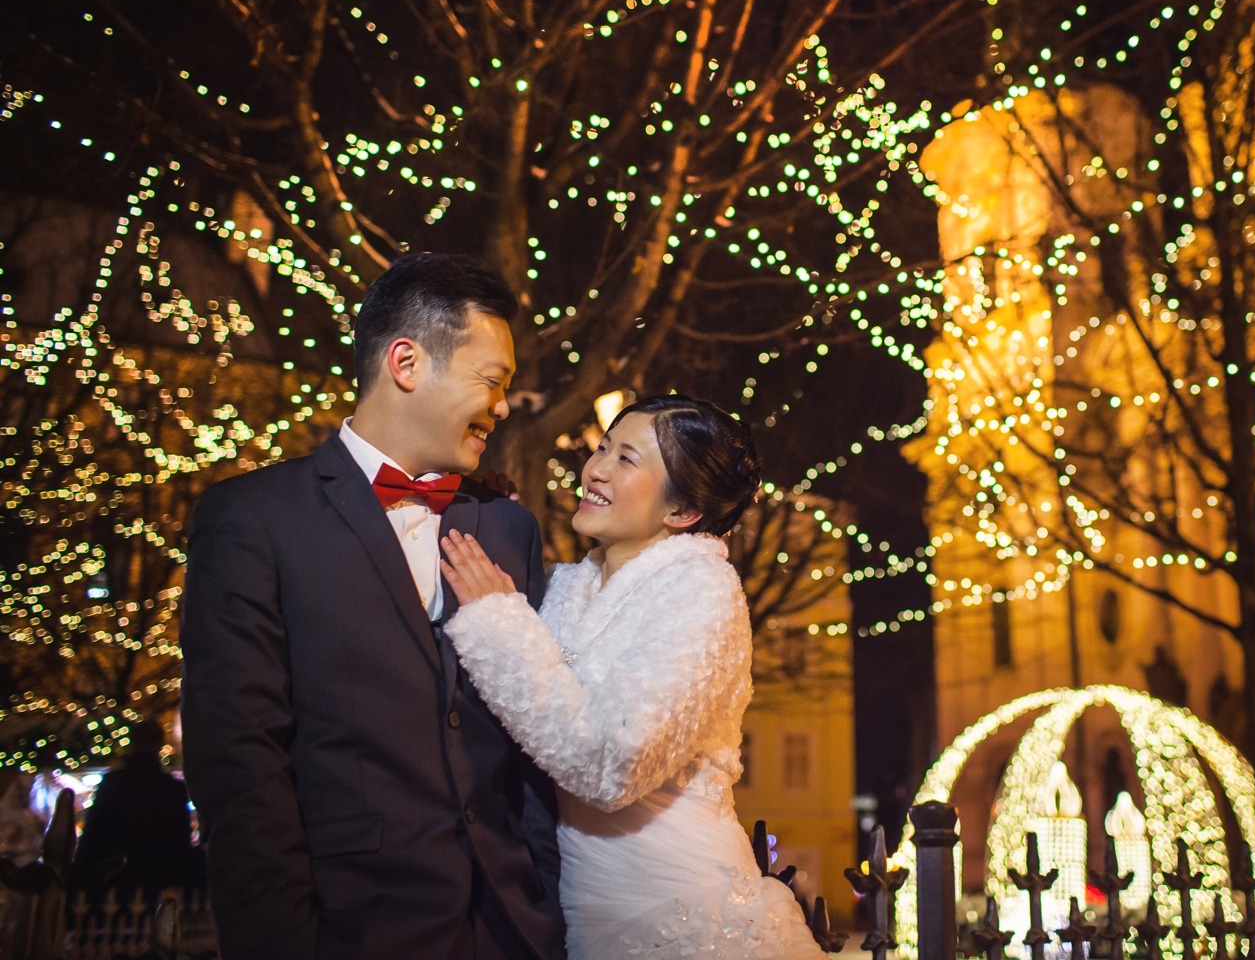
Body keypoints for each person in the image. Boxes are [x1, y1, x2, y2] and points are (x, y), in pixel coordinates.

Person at [181, 253, 566, 960]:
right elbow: (239, 763)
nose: (504, 406)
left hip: (513, 933)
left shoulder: (510, 527)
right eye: (493, 381)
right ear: (406, 362)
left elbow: (534, 743)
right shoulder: (255, 519)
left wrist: (546, 904)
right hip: (354, 933)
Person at [437, 396, 825, 959]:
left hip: (683, 915)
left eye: (627, 459)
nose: (595, 469)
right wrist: (497, 521)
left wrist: (496, 622)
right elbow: (537, 686)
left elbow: (612, 764)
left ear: (684, 511)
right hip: (578, 911)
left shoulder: (704, 592)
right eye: (602, 447)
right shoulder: (573, 585)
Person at [73, 719, 193, 905]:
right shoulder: (172, 789)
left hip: (113, 876)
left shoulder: (113, 783)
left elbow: (94, 833)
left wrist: (83, 871)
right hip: (155, 876)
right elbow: (180, 840)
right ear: (159, 745)